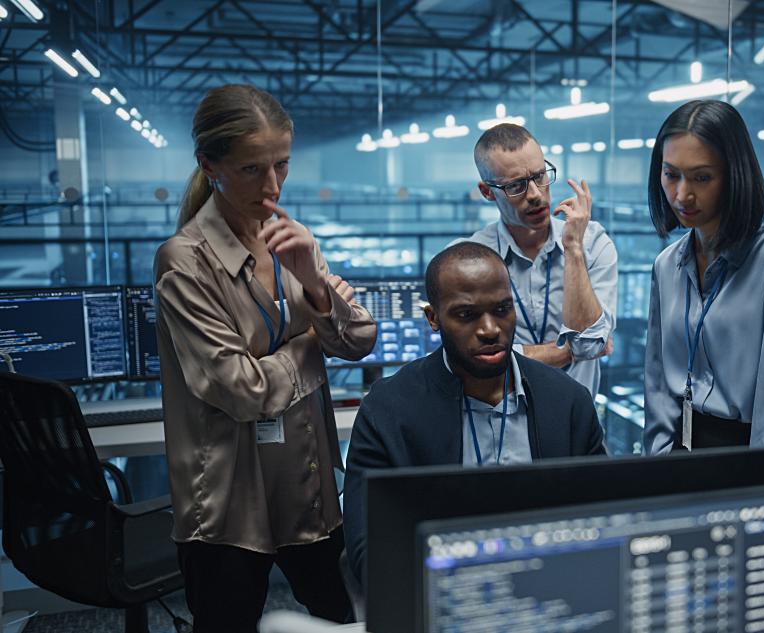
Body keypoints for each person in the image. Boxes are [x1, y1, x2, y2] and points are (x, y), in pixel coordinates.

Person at [154, 84, 377, 632]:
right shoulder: (184, 262)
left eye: (282, 165)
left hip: (307, 483)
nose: (273, 186)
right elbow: (242, 389)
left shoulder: (291, 240)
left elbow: (360, 339)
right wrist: (310, 344)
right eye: (253, 170)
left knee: (340, 618)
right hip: (231, 500)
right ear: (210, 164)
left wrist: (316, 288)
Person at [342, 241, 608, 582]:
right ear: (433, 318)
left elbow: (603, 522)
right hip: (439, 598)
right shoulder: (388, 411)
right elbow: (370, 554)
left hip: (550, 589)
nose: (489, 330)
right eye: (467, 315)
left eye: (501, 310)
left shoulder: (568, 402)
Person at [642, 100, 764, 456]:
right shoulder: (666, 266)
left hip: (745, 456)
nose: (681, 194)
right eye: (671, 174)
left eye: (702, 177)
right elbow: (658, 385)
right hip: (680, 454)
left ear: (734, 175)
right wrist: (654, 466)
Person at [463, 124, 618, 396]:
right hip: (500, 428)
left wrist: (573, 249)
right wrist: (566, 351)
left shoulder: (591, 243)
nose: (535, 194)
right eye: (516, 186)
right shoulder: (470, 260)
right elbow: (468, 359)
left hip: (576, 428)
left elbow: (590, 346)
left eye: (539, 176)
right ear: (488, 192)